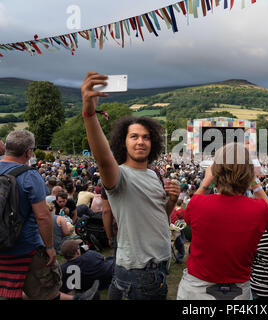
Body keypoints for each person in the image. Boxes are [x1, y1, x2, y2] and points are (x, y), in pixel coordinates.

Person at [81, 72, 180, 300]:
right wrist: (89, 113)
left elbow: (159, 220)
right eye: (134, 136)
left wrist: (171, 202)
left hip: (157, 268)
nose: (140, 141)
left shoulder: (154, 175)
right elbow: (103, 158)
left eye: (146, 137)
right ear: (122, 142)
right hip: (138, 274)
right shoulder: (118, 175)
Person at [0, 130, 96, 300]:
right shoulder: (29, 175)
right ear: (29, 152)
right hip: (26, 247)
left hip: (2, 246)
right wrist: (50, 247)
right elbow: (43, 217)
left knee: (9, 291)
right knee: (47, 292)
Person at [177, 143, 268, 300]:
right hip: (238, 290)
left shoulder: (198, 203)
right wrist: (255, 183)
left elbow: (187, 214)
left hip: (197, 288)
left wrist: (206, 181)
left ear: (216, 172)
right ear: (248, 174)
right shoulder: (260, 209)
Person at [170, 199, 186, 264]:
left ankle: (178, 259)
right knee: (180, 244)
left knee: (179, 243)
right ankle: (179, 258)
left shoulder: (174, 210)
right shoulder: (181, 210)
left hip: (175, 228)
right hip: (178, 228)